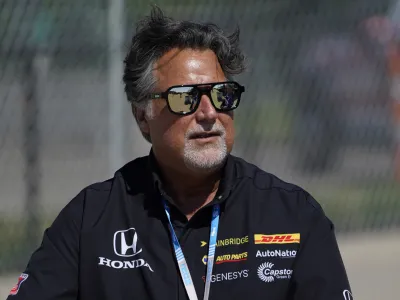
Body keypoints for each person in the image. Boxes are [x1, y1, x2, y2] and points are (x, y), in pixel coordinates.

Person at [7, 7, 352, 300]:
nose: (208, 112)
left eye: (222, 94)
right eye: (185, 98)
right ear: (143, 116)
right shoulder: (91, 221)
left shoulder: (293, 217)